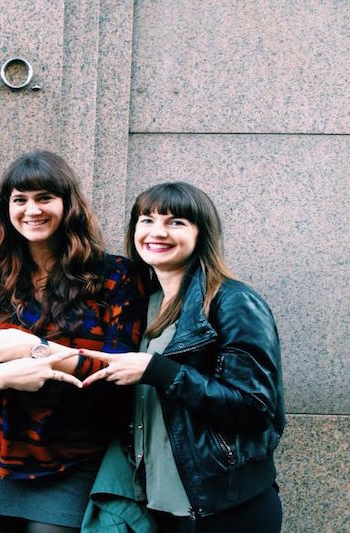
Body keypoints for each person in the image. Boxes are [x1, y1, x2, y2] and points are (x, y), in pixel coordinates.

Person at [0, 150, 145, 532]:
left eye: (45, 198)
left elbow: (120, 368)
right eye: (20, 199)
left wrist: (34, 351)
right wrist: (5, 378)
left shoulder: (115, 275)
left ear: (68, 204)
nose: (32, 210)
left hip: (71, 456)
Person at [81, 182, 285, 532]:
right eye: (147, 220)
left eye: (176, 222)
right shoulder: (146, 302)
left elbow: (256, 409)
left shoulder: (233, 302)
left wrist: (161, 372)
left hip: (221, 508)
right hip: (161, 506)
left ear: (201, 233)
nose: (157, 232)